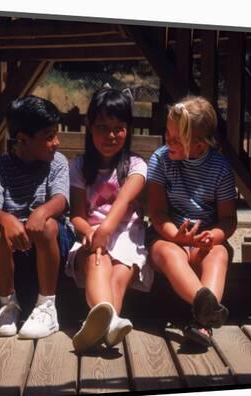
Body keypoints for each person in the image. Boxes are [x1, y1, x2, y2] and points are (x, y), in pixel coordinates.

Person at [65, 87, 153, 353]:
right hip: (91, 234)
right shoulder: (80, 166)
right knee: (97, 261)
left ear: (128, 130)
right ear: (89, 127)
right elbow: (77, 215)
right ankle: (112, 323)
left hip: (127, 235)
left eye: (118, 128)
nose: (111, 135)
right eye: (102, 127)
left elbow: (123, 202)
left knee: (118, 276)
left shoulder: (136, 166)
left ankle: (104, 323)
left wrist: (105, 230)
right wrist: (90, 232)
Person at [0, 95, 75, 339]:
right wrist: (6, 219)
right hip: (12, 244)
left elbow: (61, 200)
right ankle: (8, 304)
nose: (56, 142)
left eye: (56, 133)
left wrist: (41, 212)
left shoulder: (58, 163)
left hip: (51, 241)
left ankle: (46, 306)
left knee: (48, 226)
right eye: (49, 136)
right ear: (22, 139)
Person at [147, 96, 237, 347]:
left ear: (199, 145)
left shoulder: (220, 169)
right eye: (167, 134)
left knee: (218, 254)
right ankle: (207, 308)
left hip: (203, 238)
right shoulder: (160, 160)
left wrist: (214, 236)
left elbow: (229, 220)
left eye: (176, 140)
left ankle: (202, 325)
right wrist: (177, 236)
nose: (168, 141)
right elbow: (157, 213)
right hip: (167, 236)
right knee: (168, 254)